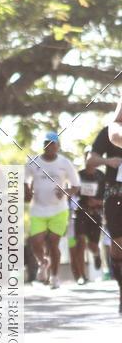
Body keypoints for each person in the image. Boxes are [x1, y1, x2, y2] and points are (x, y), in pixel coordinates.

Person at [25, 131, 80, 289]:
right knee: (36, 241)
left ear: (57, 146)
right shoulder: (34, 162)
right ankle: (43, 262)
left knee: (53, 243)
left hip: (58, 209)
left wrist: (65, 192)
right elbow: (24, 180)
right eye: (46, 143)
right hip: (38, 209)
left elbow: (75, 186)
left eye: (52, 143)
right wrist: (27, 190)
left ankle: (55, 277)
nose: (48, 146)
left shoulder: (65, 163)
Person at [89, 94, 122, 311]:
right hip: (115, 195)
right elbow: (90, 161)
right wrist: (107, 160)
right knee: (118, 249)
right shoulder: (111, 129)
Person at [73, 148, 105, 283]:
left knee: (92, 245)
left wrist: (97, 202)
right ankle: (81, 276)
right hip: (81, 213)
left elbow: (108, 196)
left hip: (96, 214)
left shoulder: (102, 176)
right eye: (88, 157)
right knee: (80, 242)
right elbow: (73, 191)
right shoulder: (78, 175)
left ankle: (97, 254)